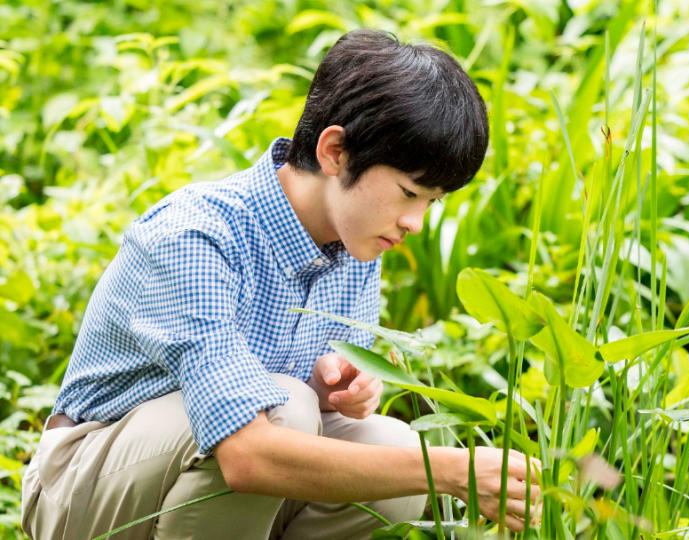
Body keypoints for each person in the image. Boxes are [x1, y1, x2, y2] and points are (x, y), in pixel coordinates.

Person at [20, 29, 539, 540]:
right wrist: (452, 471)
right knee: (283, 410)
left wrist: (339, 391)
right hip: (79, 494)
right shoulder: (196, 235)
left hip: (211, 488)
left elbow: (316, 411)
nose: (416, 222)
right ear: (335, 151)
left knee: (385, 444)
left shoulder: (357, 241)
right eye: (408, 192)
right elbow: (247, 456)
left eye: (432, 201)